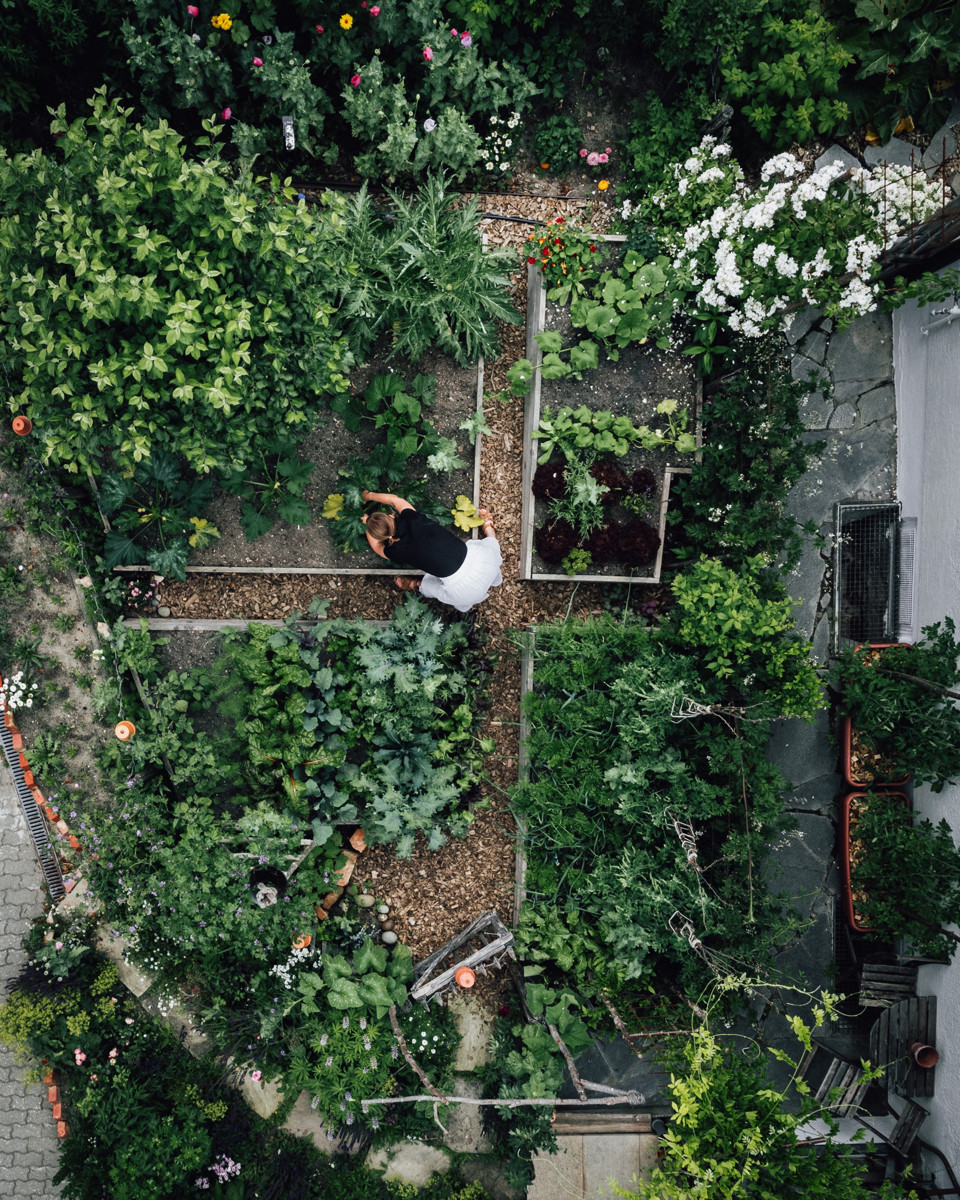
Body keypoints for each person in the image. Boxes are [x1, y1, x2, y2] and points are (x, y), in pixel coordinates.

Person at [361, 489, 503, 613]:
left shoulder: (396, 551)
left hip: (465, 591)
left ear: (383, 537)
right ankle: (488, 527)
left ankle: (414, 584)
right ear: (391, 516)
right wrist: (369, 495)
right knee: (490, 547)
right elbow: (394, 499)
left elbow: (376, 547)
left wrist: (367, 522)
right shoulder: (411, 518)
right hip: (483, 562)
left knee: (431, 588)